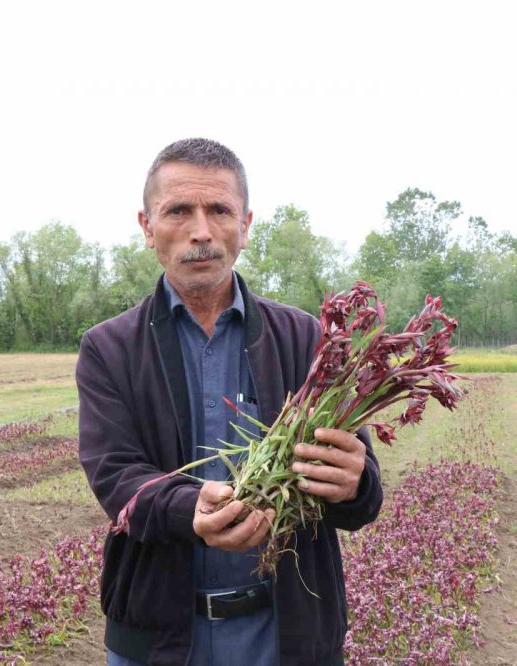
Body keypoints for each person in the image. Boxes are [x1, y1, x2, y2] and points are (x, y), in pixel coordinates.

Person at [76, 138, 383, 666]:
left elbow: (363, 498)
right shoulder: (109, 348)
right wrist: (188, 509)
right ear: (148, 226)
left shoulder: (307, 339)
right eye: (178, 211)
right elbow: (115, 475)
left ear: (245, 223)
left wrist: (353, 480)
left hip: (285, 636)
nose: (201, 231)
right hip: (160, 641)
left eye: (219, 210)